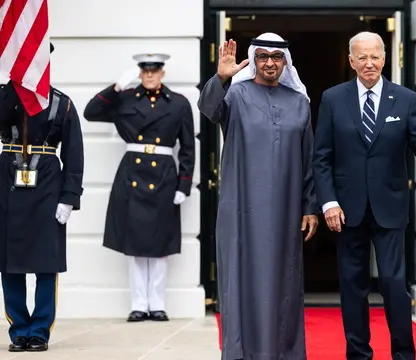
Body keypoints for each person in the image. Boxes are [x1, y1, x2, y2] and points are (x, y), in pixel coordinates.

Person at [313, 31, 416, 360]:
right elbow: (322, 156)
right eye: (362, 57)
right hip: (346, 208)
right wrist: (327, 201)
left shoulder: (406, 98)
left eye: (375, 57)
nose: (369, 63)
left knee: (393, 283)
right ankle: (358, 354)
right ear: (352, 61)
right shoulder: (333, 98)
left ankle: (403, 354)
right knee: (352, 286)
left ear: (384, 59)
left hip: (390, 206)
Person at [197, 33, 318, 360]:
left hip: (286, 211)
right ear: (254, 60)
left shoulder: (299, 102)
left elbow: (309, 160)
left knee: (285, 284)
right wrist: (221, 77)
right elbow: (208, 109)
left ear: (285, 62)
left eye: (276, 57)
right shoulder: (235, 95)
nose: (269, 63)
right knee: (242, 281)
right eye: (262, 56)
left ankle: (285, 353)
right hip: (241, 210)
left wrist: (310, 206)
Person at [83, 53, 195, 322]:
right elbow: (90, 112)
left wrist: (184, 184)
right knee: (134, 244)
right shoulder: (125, 99)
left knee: (159, 244)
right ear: (139, 73)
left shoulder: (178, 104)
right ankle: (138, 304)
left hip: (164, 175)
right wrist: (117, 86)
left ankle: (157, 303)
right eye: (144, 71)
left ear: (162, 73)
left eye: (154, 71)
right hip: (132, 171)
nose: (149, 75)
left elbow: (188, 149)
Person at [0, 43, 84, 352]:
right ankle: (19, 329)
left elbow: (74, 153)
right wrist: (13, 88)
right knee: (9, 264)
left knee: (46, 264)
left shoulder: (61, 103)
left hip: (47, 186)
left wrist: (69, 197)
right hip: (8, 182)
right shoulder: (6, 95)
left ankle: (40, 331)